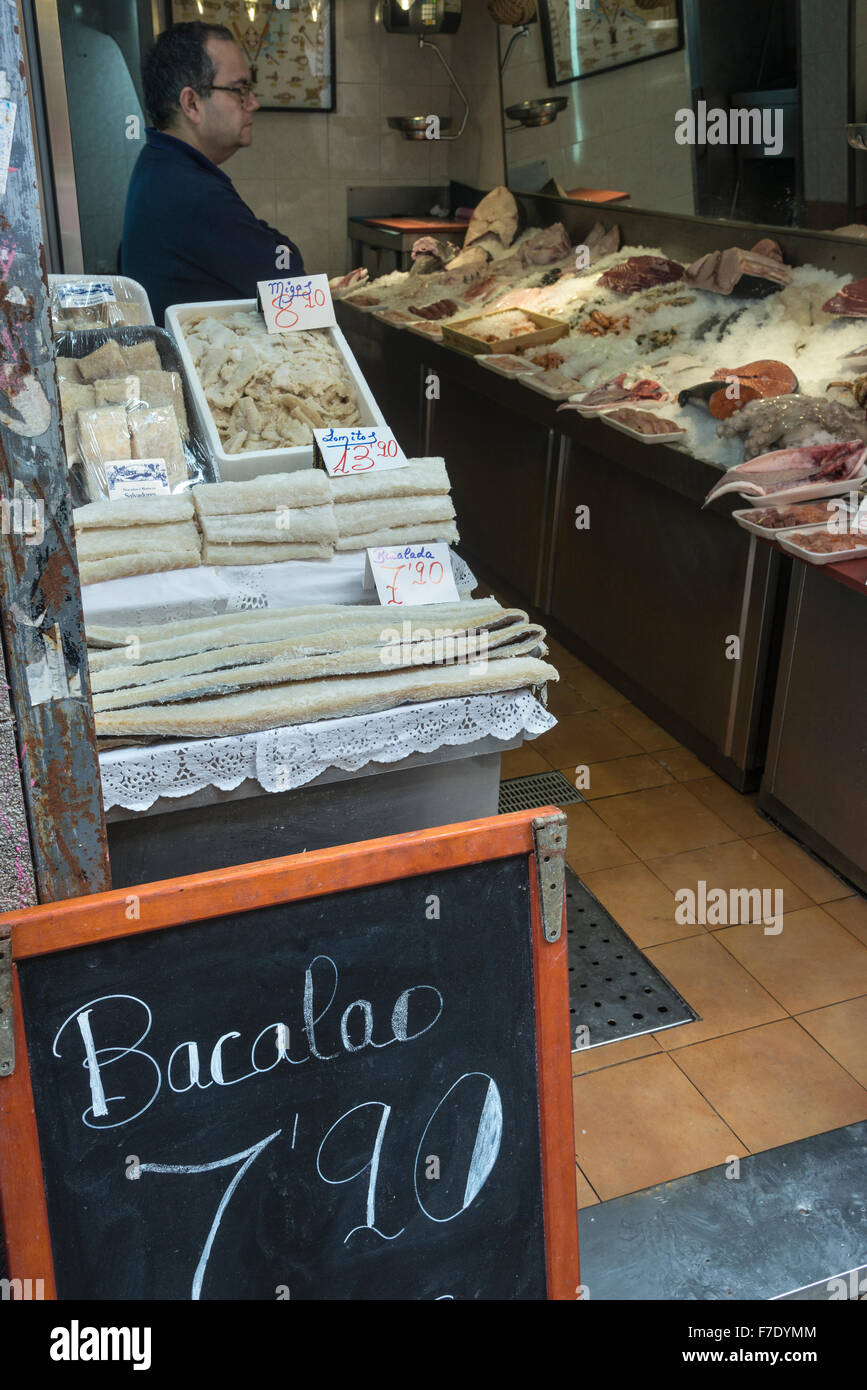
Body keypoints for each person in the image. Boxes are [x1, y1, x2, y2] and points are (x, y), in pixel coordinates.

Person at [122, 21, 303, 324]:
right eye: (240, 89)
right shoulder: (190, 190)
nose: (253, 103)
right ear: (191, 103)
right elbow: (292, 285)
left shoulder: (160, 162)